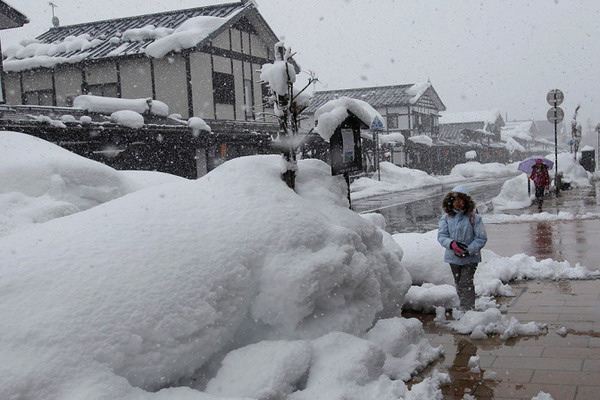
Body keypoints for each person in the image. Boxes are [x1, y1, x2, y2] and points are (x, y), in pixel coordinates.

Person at [437, 186, 488, 311]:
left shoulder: (474, 218)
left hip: (470, 258)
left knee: (466, 283)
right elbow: (442, 235)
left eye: (461, 200)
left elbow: (481, 238)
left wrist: (468, 250)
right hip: (453, 257)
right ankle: (464, 306)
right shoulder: (446, 218)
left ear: (466, 202)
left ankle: (467, 310)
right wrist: (451, 244)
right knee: (459, 283)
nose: (458, 203)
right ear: (450, 202)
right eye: (455, 200)